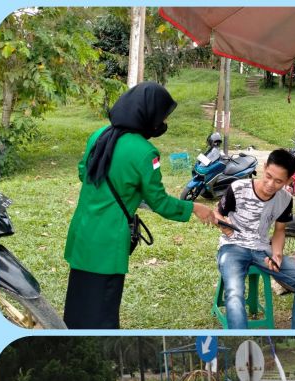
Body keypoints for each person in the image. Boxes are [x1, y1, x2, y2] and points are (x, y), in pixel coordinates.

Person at [63, 82, 217, 329]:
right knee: (102, 311)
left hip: (82, 233)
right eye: (162, 117)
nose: (162, 123)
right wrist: (195, 208)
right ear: (148, 115)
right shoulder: (146, 152)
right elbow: (159, 202)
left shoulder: (98, 135)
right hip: (108, 242)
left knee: (79, 304)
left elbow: (84, 173)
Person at [214, 148, 295, 329]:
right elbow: (217, 214)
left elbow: (280, 231)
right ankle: (242, 346)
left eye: (278, 181)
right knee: (235, 293)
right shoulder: (238, 188)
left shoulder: (285, 199)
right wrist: (223, 225)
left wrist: (277, 255)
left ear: (288, 180)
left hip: (262, 249)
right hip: (232, 246)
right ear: (264, 167)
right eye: (268, 176)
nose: (270, 184)